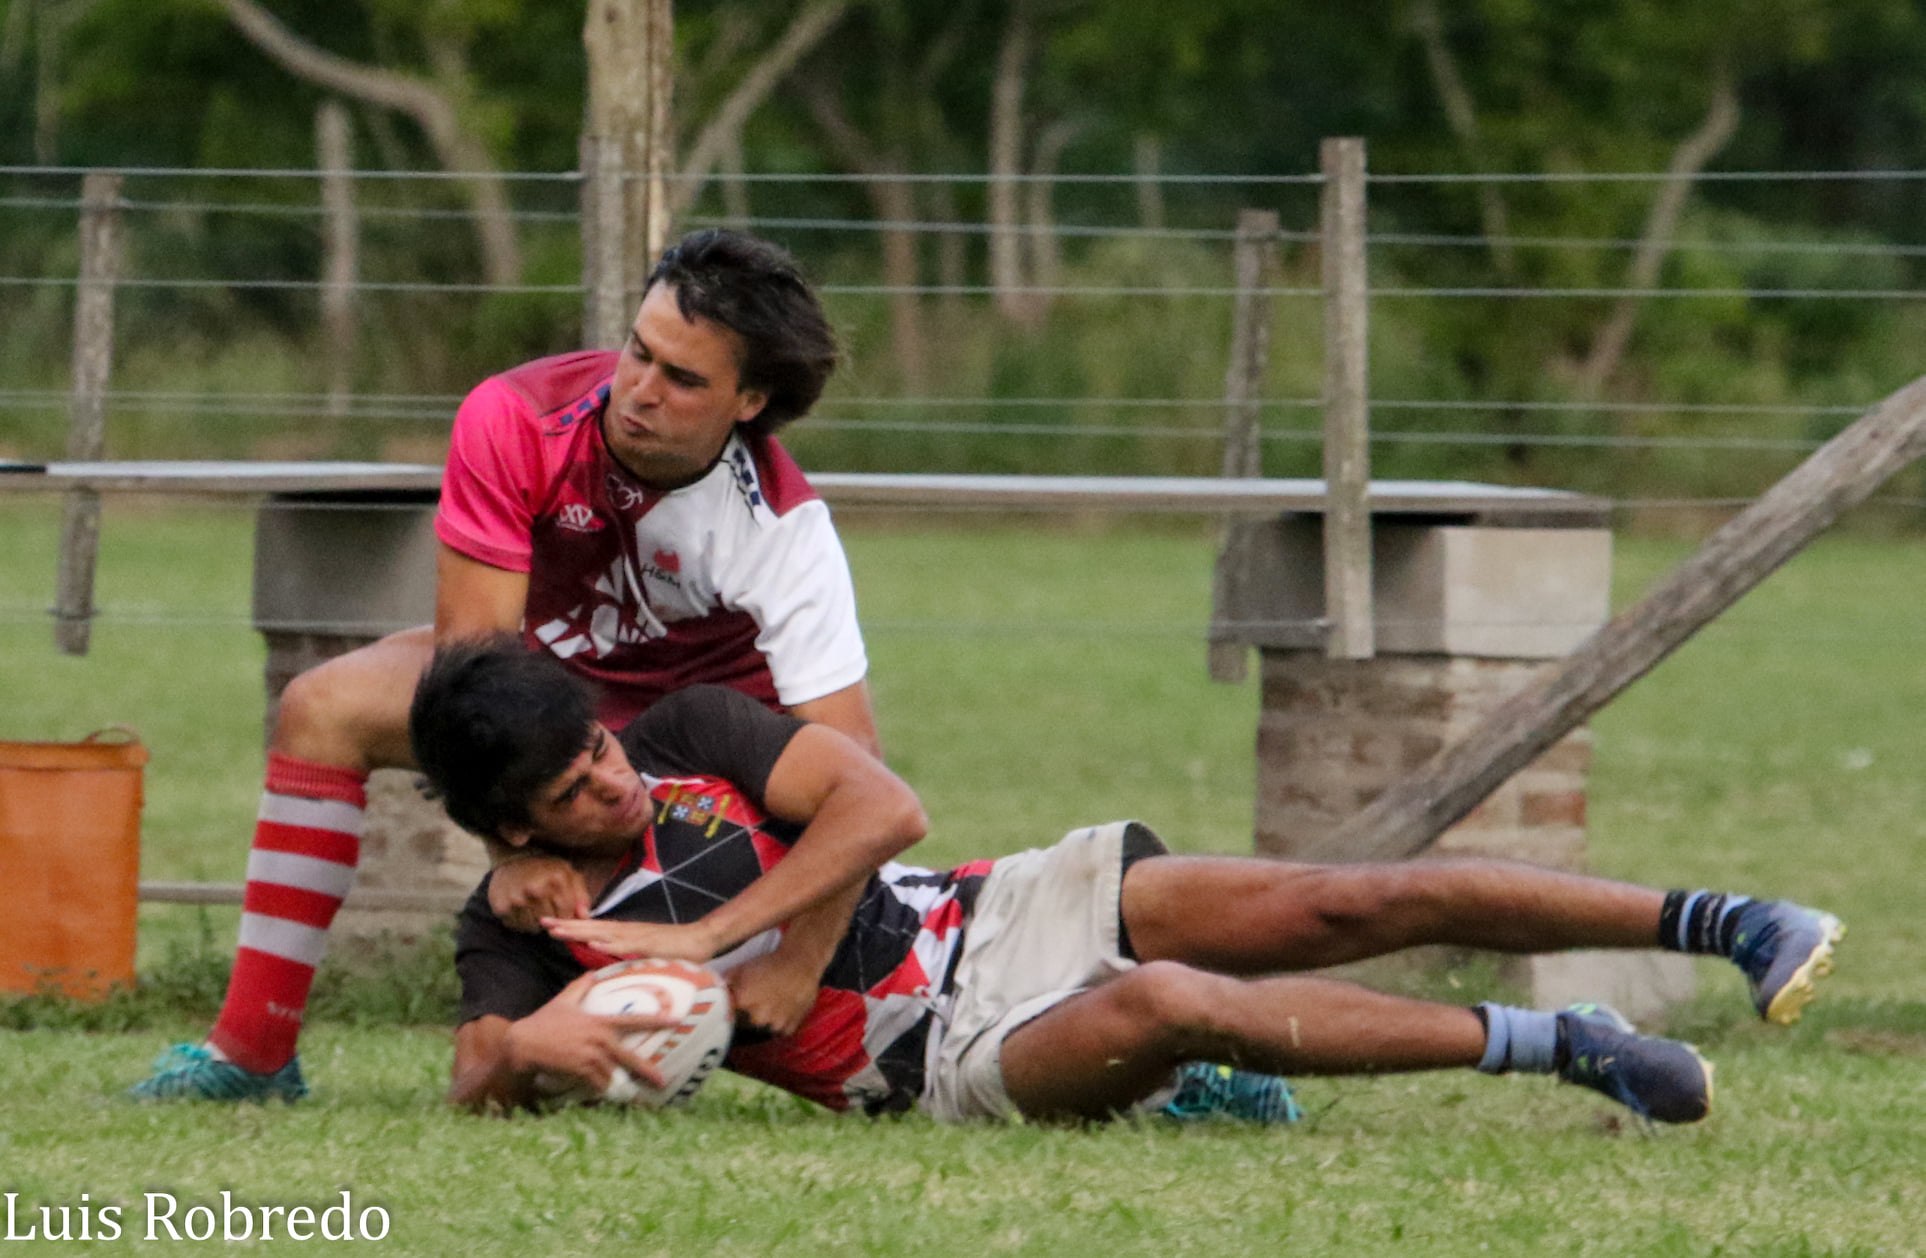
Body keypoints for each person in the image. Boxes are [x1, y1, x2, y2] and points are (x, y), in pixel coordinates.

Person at [423, 640, 1843, 1125]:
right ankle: (1568, 1046)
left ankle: (1730, 921)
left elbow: (880, 803)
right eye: (568, 793)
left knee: (1336, 899)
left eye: (597, 752)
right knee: (1173, 1002)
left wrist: (753, 940)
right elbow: (474, 1066)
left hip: (988, 901)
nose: (609, 783)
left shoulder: (681, 732)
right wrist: (529, 1045)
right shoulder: (523, 932)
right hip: (940, 1055)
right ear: (504, 825)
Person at [133, 230, 885, 1103]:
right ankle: (250, 1054)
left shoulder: (784, 528)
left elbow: (857, 765)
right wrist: (506, 852)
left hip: (695, 744)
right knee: (322, 706)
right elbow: (474, 676)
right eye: (639, 351)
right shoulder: (515, 418)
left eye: (683, 380)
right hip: (545, 700)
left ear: (749, 401)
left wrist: (797, 961)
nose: (639, 389)